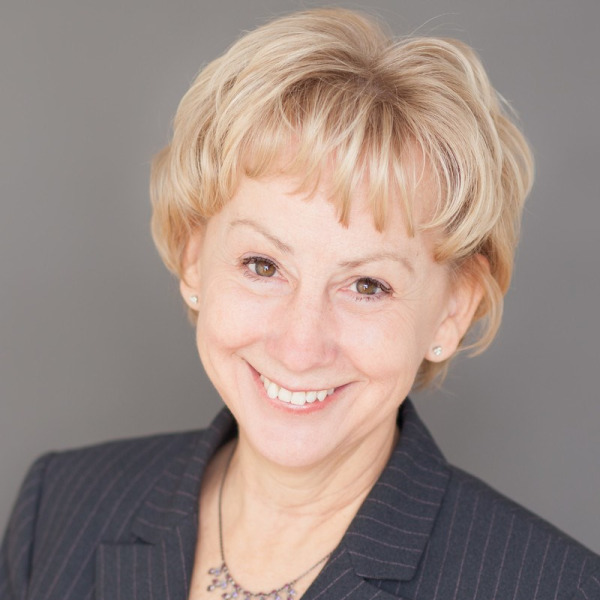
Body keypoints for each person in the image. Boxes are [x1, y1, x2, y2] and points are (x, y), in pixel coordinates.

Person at [1, 7, 598, 600]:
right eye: (263, 266)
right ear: (193, 257)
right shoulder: (58, 510)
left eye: (368, 285)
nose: (300, 344)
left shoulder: (556, 588)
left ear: (453, 310)